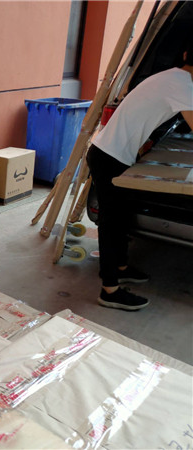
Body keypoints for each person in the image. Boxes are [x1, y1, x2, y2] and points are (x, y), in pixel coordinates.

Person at [86, 41, 193, 311]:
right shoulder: (183, 86)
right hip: (109, 156)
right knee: (111, 222)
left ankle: (121, 267)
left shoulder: (171, 76)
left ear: (184, 54)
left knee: (121, 214)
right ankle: (109, 289)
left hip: (113, 154)